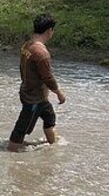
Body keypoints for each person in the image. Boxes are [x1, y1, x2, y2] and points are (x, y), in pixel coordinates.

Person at [7, 13, 66, 152]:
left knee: (50, 117)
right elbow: (48, 78)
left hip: (30, 92)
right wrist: (59, 93)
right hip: (34, 99)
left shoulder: (27, 45)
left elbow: (23, 68)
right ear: (49, 30)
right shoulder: (41, 53)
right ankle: (11, 151)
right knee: (20, 130)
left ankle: (54, 147)